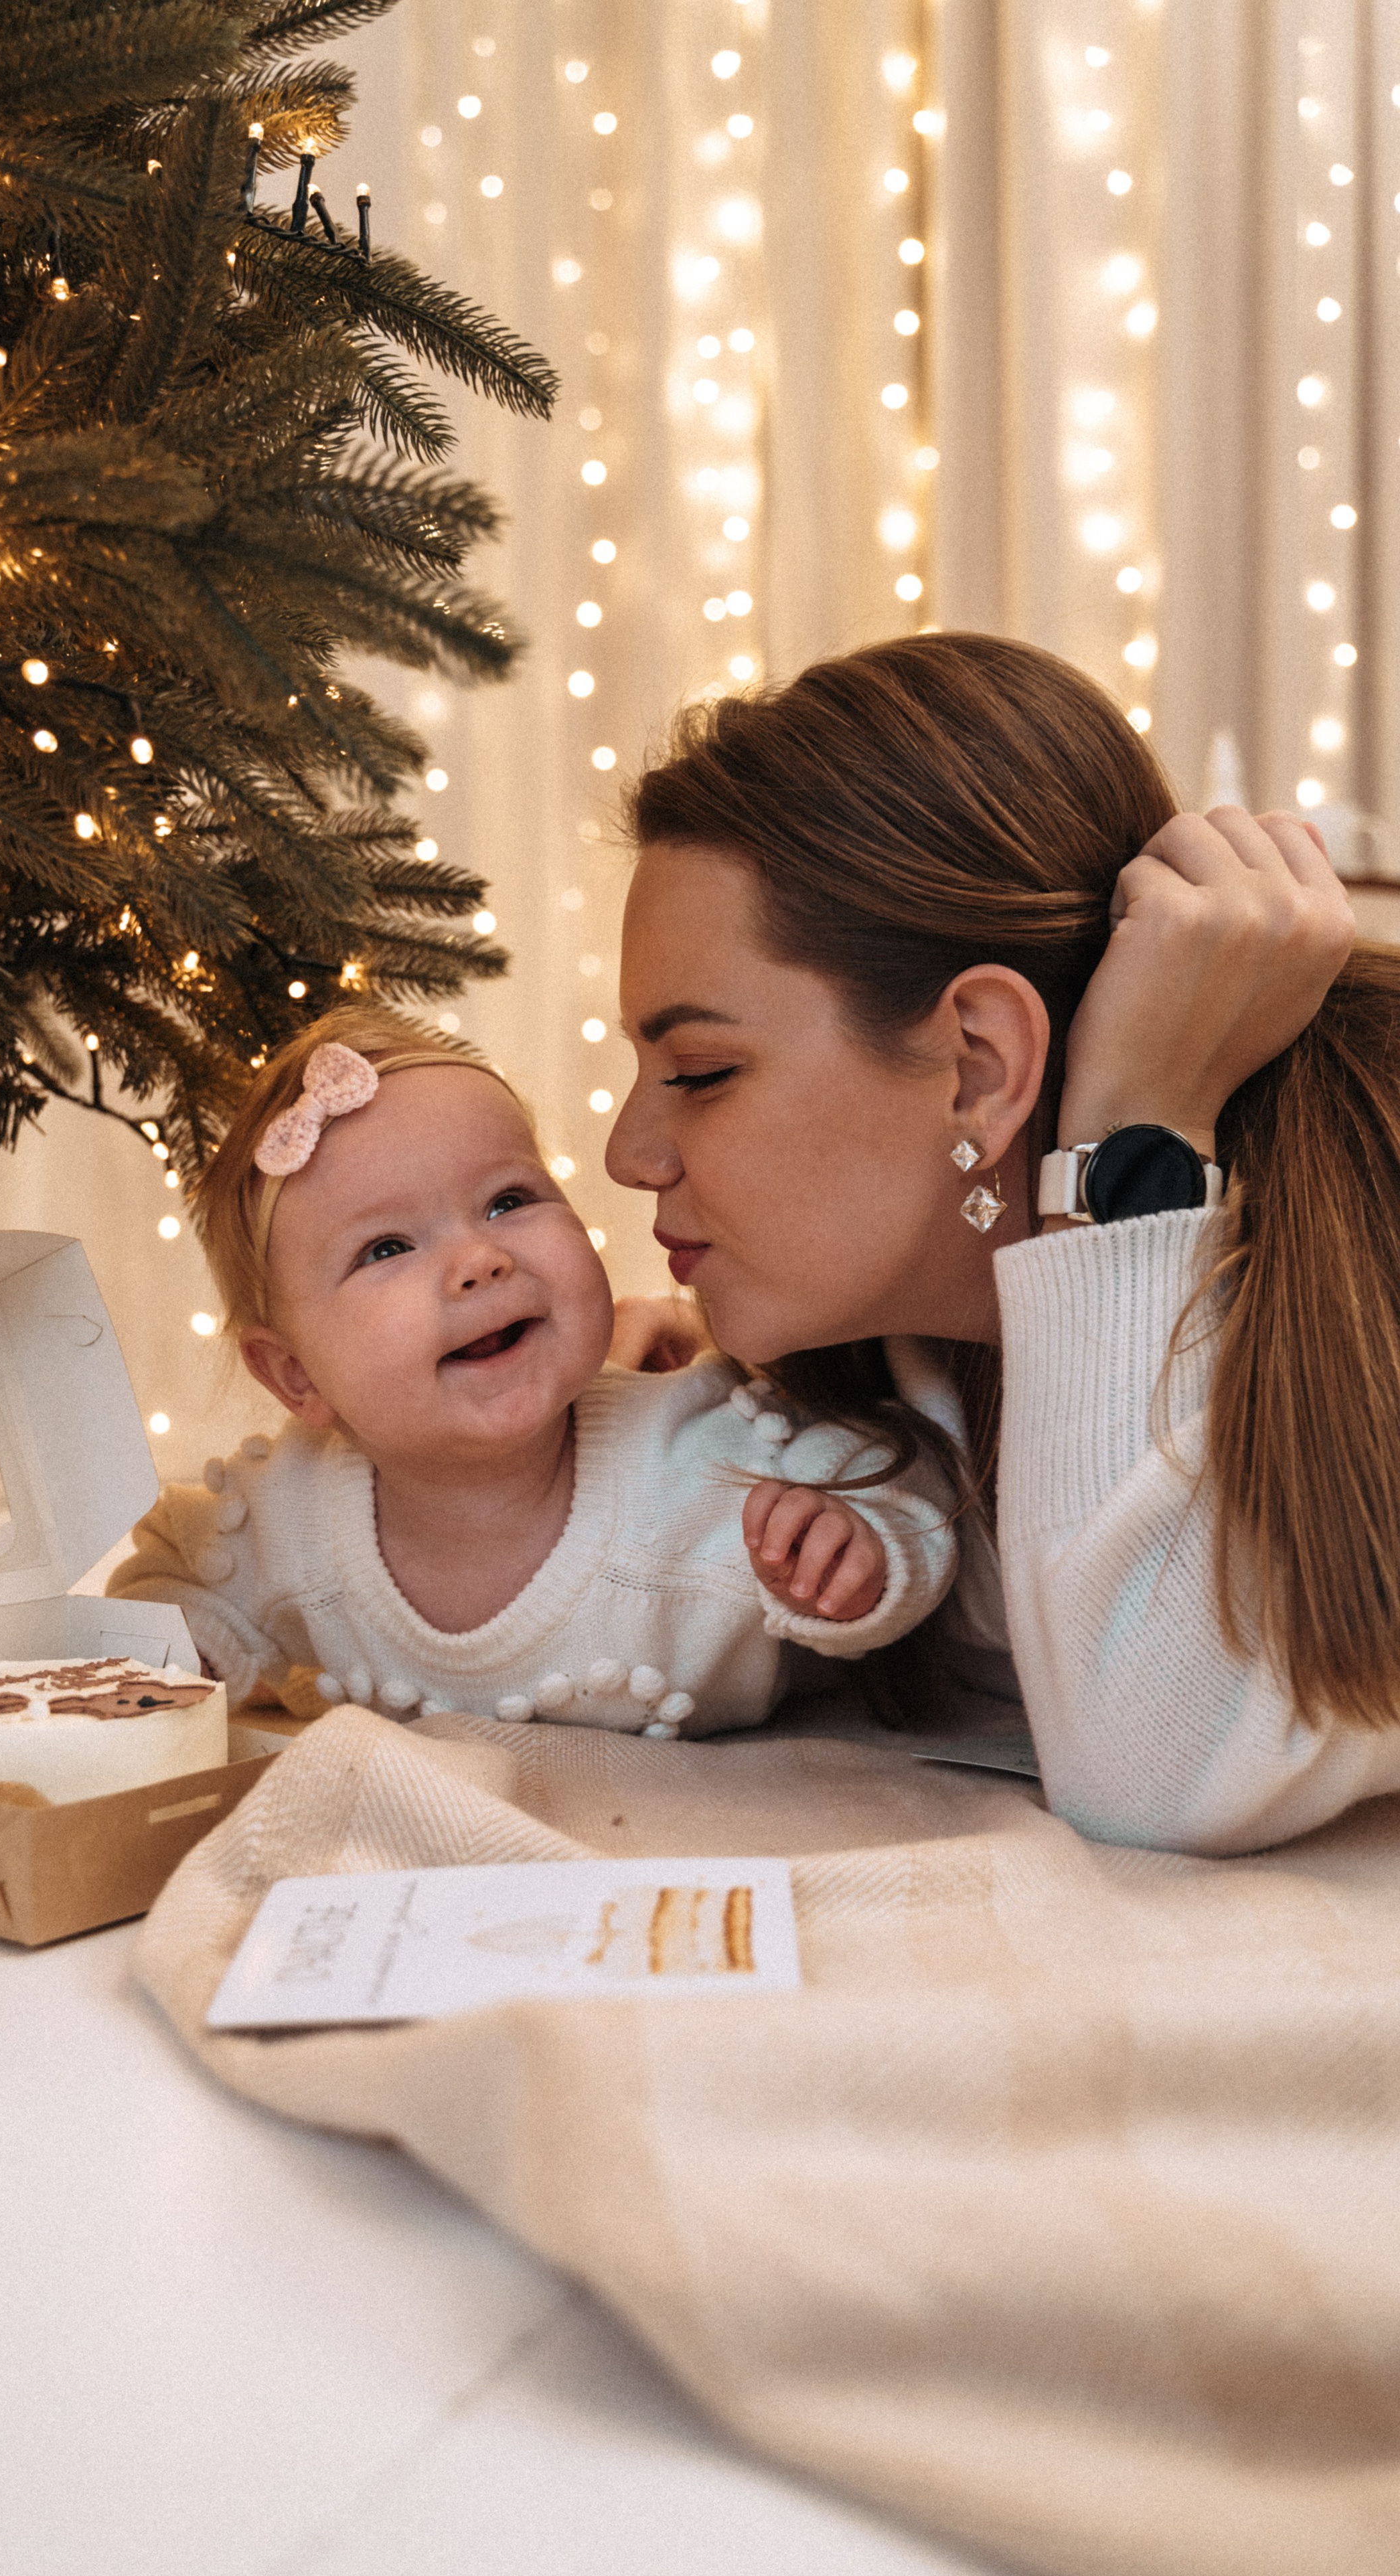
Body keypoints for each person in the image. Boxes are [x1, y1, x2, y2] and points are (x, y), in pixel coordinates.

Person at [604, 629, 1400, 1853]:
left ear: (981, 1065)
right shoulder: (915, 1373)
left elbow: (1155, 1770)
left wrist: (1136, 1135)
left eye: (701, 1070)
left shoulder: (1361, 1272)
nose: (631, 1152)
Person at [108, 1005, 960, 1738]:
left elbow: (902, 1478)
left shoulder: (696, 1449)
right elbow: (166, 1570)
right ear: (296, 1376)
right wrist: (197, 1645)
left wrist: (862, 1553)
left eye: (508, 1200)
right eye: (388, 1247)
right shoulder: (285, 1511)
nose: (478, 1259)